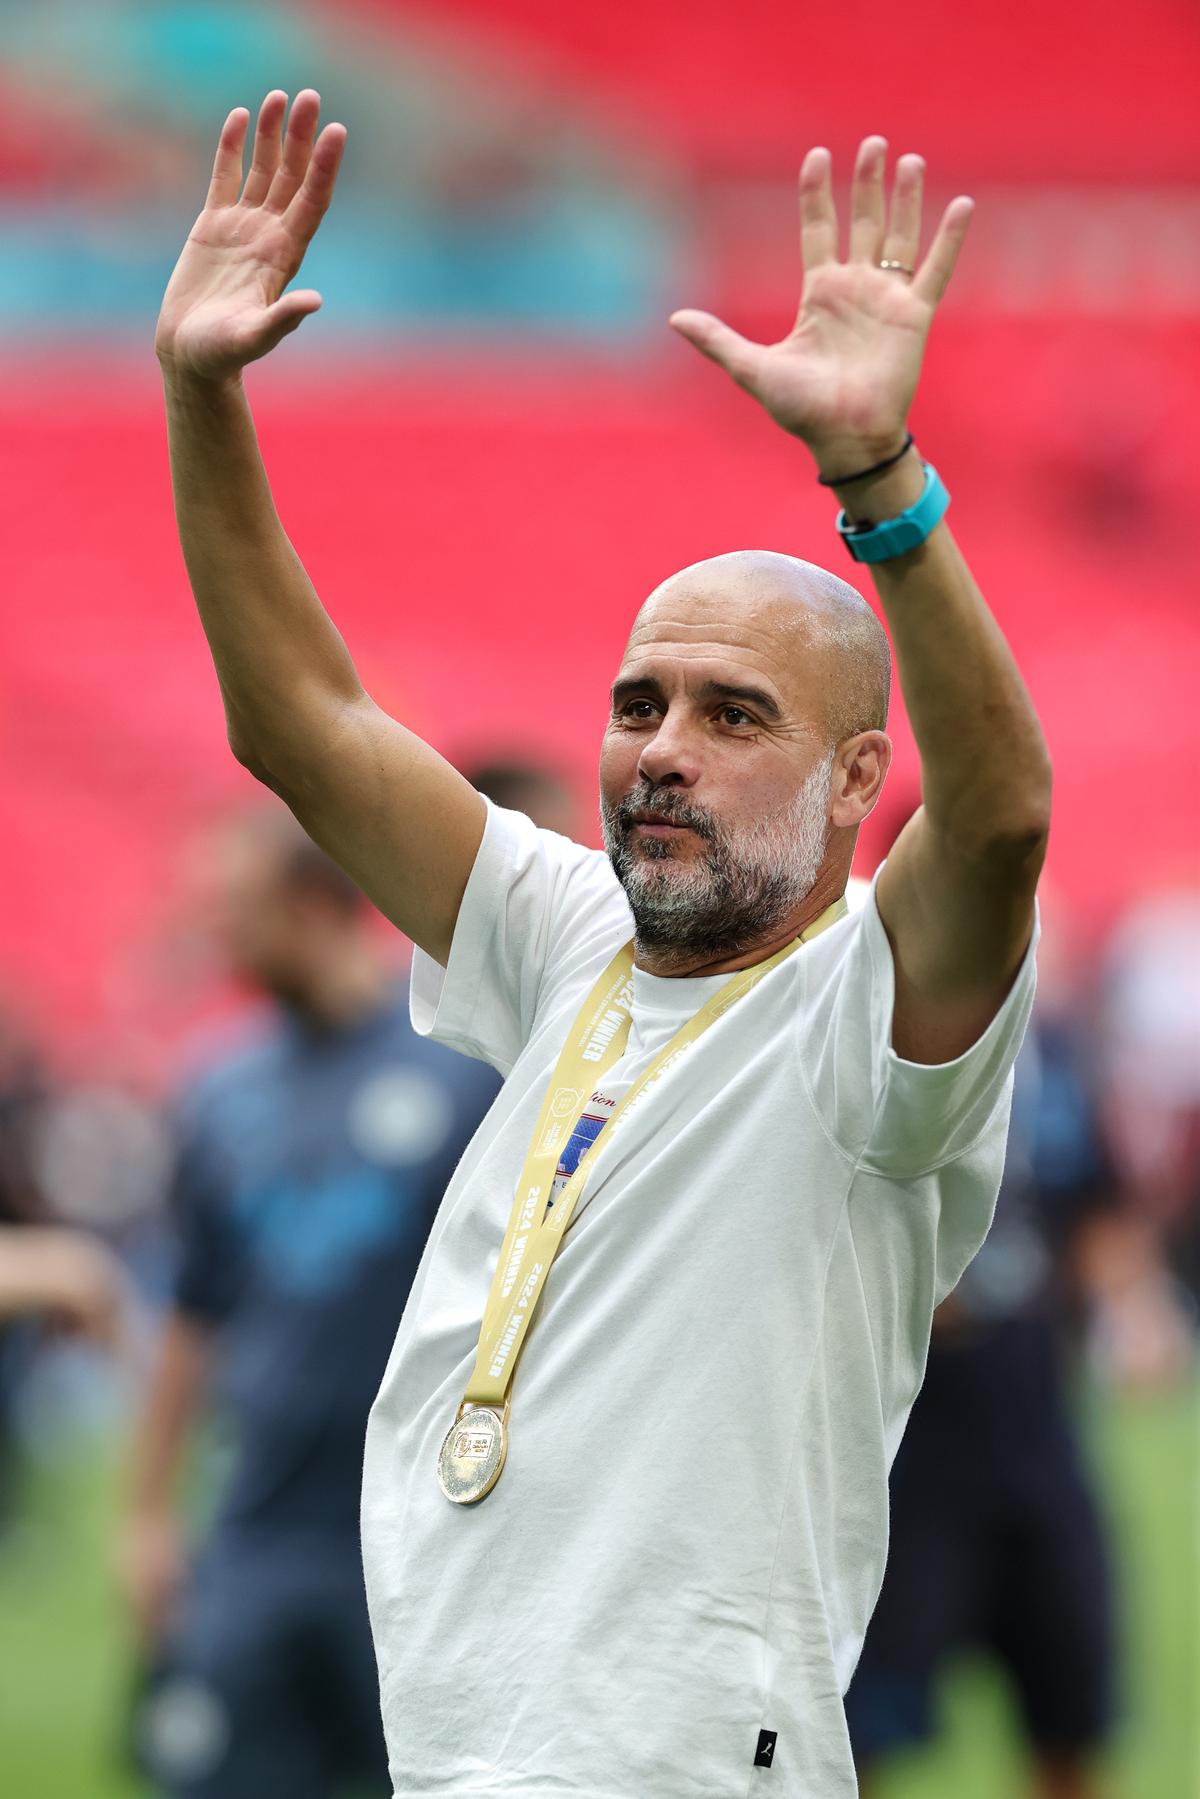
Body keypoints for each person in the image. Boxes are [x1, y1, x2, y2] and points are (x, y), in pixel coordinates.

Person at [155, 92, 1051, 1797]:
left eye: (733, 712)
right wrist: (202, 396)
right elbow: (307, 724)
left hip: (681, 1759)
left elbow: (1002, 821)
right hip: (470, 1739)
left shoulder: (865, 1019)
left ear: (857, 771)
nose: (662, 745)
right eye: (641, 700)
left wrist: (882, 484)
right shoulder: (578, 934)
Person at [120, 809, 499, 1798]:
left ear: (312, 905)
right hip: (255, 1531)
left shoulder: (461, 1073)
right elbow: (192, 1316)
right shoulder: (216, 1091)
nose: (220, 940)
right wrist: (150, 1511)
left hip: (421, 1539)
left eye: (236, 913)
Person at [845, 954, 1116, 1799]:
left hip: (1035, 1418)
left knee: (1070, 1695)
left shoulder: (1053, 1045)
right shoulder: (859, 1043)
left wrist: (1132, 1307)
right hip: (910, 1438)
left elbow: (1097, 1208)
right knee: (864, 1719)